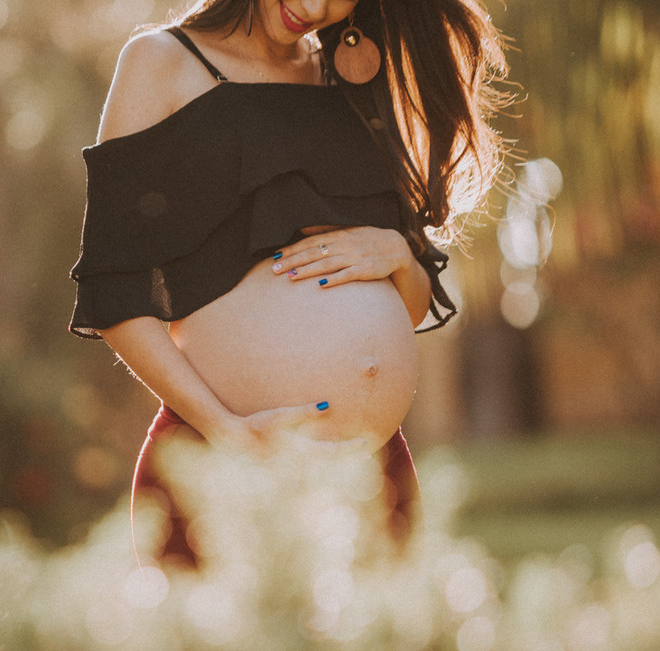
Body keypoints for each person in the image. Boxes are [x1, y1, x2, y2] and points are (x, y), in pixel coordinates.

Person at [69, 0, 506, 566]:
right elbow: (113, 293)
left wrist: (399, 255)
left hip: (370, 476)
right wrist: (226, 432)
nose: (313, 6)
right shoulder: (159, 62)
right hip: (223, 465)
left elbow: (413, 308)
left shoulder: (353, 79)